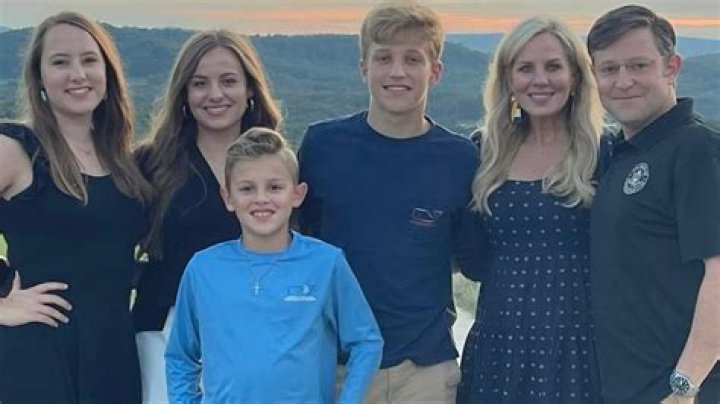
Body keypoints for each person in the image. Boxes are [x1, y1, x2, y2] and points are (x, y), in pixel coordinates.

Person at [298, 1, 481, 402]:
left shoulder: (460, 159)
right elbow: (299, 239)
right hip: (339, 366)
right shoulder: (322, 146)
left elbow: (467, 255)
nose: (397, 71)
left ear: (435, 71)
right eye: (384, 58)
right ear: (363, 67)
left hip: (424, 369)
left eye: (412, 59)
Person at [165, 127, 383, 403]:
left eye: (275, 187)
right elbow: (180, 356)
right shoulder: (203, 269)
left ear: (297, 194)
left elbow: (366, 342)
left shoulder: (326, 263)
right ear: (228, 197)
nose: (261, 199)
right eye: (247, 188)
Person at [0, 11, 152, 403]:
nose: (78, 74)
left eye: (89, 60)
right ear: (39, 78)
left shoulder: (120, 158)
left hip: (112, 354)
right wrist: (1, 302)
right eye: (60, 62)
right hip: (40, 358)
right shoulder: (16, 150)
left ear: (108, 73)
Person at [456, 17, 605, 404]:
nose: (540, 80)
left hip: (579, 341)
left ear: (576, 77)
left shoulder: (604, 152)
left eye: (553, 66)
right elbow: (471, 256)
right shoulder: (483, 152)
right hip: (499, 337)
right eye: (525, 68)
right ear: (508, 80)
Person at [131, 29, 283, 402]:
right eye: (200, 83)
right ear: (183, 93)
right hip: (167, 338)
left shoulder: (277, 163)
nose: (215, 94)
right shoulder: (149, 164)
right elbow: (96, 240)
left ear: (250, 89)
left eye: (228, 81)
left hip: (257, 336)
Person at [587, 5, 720, 404]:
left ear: (671, 67)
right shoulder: (618, 155)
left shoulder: (695, 149)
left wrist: (684, 387)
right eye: (609, 69)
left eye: (639, 65)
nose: (623, 81)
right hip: (626, 389)